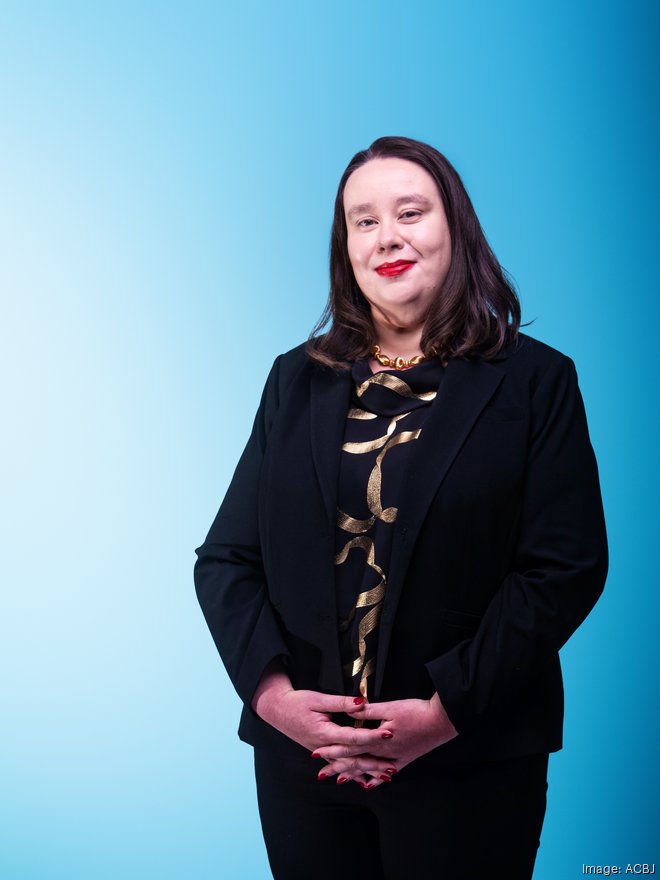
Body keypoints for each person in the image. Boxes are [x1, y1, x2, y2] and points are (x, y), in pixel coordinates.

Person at [194, 136, 608, 879]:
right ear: (345, 247)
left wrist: (443, 714)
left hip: (471, 761)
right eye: (364, 221)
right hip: (305, 767)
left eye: (410, 213)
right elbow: (226, 559)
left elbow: (563, 568)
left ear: (456, 228)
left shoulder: (536, 381)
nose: (386, 236)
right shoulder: (293, 380)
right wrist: (275, 702)